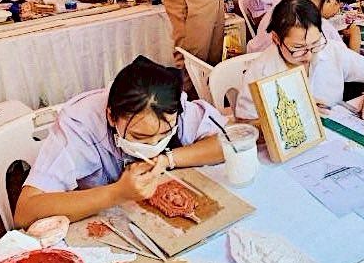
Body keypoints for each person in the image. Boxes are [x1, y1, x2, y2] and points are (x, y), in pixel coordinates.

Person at [14, 56, 225, 226]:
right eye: (139, 137)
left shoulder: (173, 105)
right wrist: (116, 193)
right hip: (102, 224)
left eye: (164, 134)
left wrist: (167, 159)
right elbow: (25, 212)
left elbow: (228, 144)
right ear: (111, 116)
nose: (153, 146)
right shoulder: (79, 125)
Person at [235, 0, 364, 123]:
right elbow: (245, 124)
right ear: (276, 39)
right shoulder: (260, 71)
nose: (309, 56)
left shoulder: (330, 50)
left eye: (315, 44)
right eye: (298, 48)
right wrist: (289, 118)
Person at [247, 0, 360, 53]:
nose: (337, 12)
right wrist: (355, 35)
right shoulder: (314, 21)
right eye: (339, 6)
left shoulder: (287, 0)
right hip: (281, 72)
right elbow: (348, 65)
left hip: (256, 61)